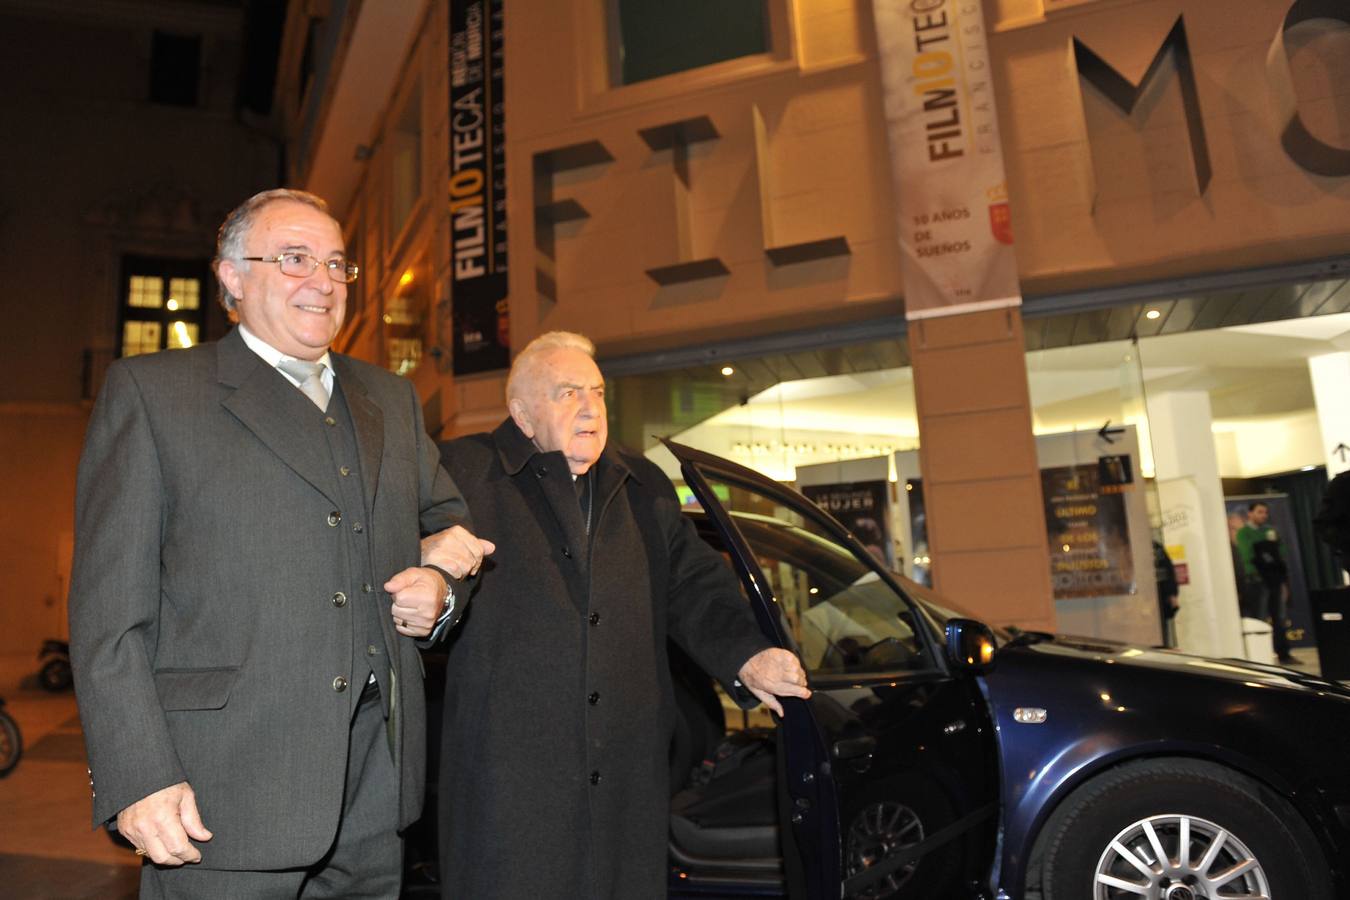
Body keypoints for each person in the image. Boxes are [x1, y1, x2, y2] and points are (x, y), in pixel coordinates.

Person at [68, 188, 492, 898]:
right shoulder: (154, 393)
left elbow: (452, 527)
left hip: (375, 789)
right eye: (295, 259)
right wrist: (136, 775)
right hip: (220, 793)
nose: (322, 280)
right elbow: (109, 616)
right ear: (232, 278)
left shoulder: (388, 397)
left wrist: (445, 592)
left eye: (335, 263)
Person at [424, 331, 810, 899]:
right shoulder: (461, 474)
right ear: (521, 414)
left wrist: (747, 656)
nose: (589, 407)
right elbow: (396, 563)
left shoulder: (640, 484)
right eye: (567, 392)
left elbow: (694, 584)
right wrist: (423, 560)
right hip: (508, 791)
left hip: (625, 783)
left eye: (598, 392)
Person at [1234, 501, 1295, 664]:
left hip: (1274, 579)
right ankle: (1260, 657)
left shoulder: (1270, 531)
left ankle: (1284, 654)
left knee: (1279, 617)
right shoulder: (1244, 533)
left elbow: (1280, 552)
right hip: (1257, 580)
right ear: (1250, 513)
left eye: (1265, 512)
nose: (1263, 515)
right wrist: (1266, 556)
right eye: (1260, 512)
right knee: (1259, 618)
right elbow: (1248, 556)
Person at [1152, 539, 1179, 648]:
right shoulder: (1155, 546)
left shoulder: (1155, 547)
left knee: (1160, 636)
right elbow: (1168, 571)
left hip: (1157, 600)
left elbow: (1167, 571)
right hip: (1154, 600)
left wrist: (1171, 594)